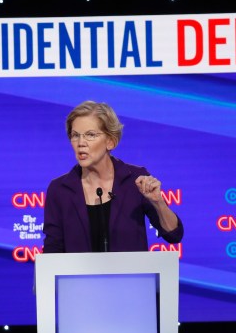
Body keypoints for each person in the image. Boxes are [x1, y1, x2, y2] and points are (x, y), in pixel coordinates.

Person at [42, 100, 183, 253]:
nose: (81, 143)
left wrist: (158, 202)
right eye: (75, 135)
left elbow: (174, 235)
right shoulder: (60, 189)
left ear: (111, 142)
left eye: (90, 135)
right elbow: (52, 252)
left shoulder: (135, 180)